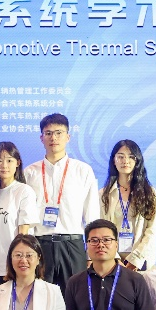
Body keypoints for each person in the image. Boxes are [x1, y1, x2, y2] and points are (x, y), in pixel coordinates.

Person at [24, 114, 99, 292]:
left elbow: (92, 214)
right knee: (40, 298)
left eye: (59, 132)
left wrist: (91, 252)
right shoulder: (29, 173)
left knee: (75, 298)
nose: (54, 138)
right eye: (48, 133)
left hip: (72, 244)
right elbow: (25, 215)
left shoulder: (83, 170)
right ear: (41, 138)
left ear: (68, 137)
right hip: (40, 244)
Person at [100, 139, 156, 271]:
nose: (125, 161)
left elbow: (151, 231)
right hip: (112, 260)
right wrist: (116, 259)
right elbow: (102, 230)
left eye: (131, 157)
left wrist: (135, 260)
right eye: (120, 156)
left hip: (141, 260)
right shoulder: (103, 194)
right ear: (114, 160)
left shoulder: (149, 193)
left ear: (137, 161)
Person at [0, 141, 37, 288]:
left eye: (9, 160)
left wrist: (17, 262)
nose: (4, 165)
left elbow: (23, 234)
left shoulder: (24, 191)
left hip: (16, 266)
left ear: (18, 163)